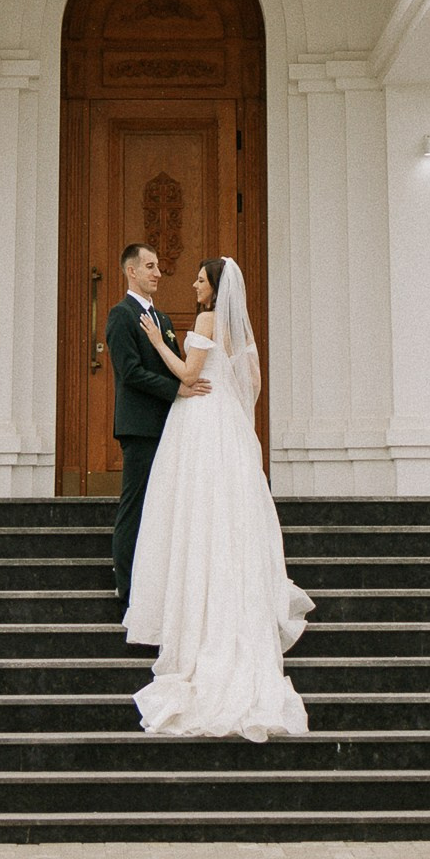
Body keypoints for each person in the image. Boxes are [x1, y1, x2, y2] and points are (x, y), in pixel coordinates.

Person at [124, 255, 312, 738]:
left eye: (200, 280)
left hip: (201, 421)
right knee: (229, 515)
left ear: (215, 288)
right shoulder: (239, 330)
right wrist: (232, 404)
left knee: (195, 509)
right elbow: (254, 383)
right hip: (230, 425)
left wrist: (156, 343)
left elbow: (189, 376)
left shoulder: (208, 320)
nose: (194, 285)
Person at [105, 241, 200, 613]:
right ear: (131, 271)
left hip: (169, 426)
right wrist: (176, 390)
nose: (158, 273)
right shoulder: (121, 315)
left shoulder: (162, 320)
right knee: (136, 505)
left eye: (158, 266)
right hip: (140, 426)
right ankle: (127, 588)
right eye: (150, 267)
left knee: (162, 506)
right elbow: (129, 372)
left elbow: (174, 363)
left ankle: (156, 584)